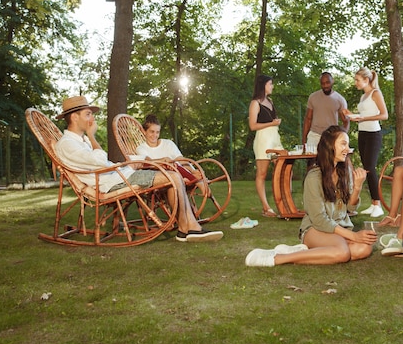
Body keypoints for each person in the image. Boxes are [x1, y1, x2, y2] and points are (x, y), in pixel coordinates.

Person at [54, 96, 223, 243]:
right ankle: (189, 227)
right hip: (113, 183)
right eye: (88, 114)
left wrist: (128, 164)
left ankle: (185, 228)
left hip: (120, 175)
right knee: (173, 176)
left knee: (173, 176)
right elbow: (99, 160)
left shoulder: (79, 141)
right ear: (75, 117)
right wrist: (92, 136)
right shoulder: (68, 144)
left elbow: (99, 163)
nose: (92, 118)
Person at [245, 126, 376, 266]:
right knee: (343, 252)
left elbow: (350, 207)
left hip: (338, 230)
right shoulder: (314, 177)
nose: (347, 149)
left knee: (364, 248)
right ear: (329, 145)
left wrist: (357, 187)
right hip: (316, 229)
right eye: (343, 144)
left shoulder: (344, 172)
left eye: (348, 145)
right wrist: (353, 236)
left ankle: (310, 252)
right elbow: (319, 220)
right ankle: (278, 258)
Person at [342, 67, 388, 218]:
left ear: (366, 80)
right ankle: (374, 204)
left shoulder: (376, 93)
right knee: (367, 169)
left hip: (374, 134)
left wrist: (363, 118)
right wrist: (351, 115)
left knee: (370, 168)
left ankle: (379, 205)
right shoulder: (363, 96)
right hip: (363, 133)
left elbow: (384, 115)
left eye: (357, 80)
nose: (355, 83)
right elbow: (363, 114)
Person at [136, 114, 207, 195]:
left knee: (175, 163)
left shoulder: (168, 143)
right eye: (152, 132)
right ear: (144, 132)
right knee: (169, 164)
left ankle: (190, 177)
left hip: (175, 172)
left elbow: (181, 160)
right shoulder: (140, 148)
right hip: (159, 177)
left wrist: (193, 170)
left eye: (157, 132)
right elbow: (149, 162)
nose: (155, 135)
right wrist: (164, 161)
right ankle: (196, 181)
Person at [248, 75, 286, 217]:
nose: (272, 86)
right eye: (270, 84)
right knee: (262, 174)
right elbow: (252, 126)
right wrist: (272, 123)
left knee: (284, 169)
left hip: (275, 138)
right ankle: (266, 207)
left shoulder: (270, 101)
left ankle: (283, 202)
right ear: (263, 85)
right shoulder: (255, 103)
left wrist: (275, 124)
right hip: (263, 140)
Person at [302, 72, 349, 151]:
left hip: (331, 136)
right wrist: (304, 140)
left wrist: (342, 138)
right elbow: (308, 119)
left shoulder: (340, 100)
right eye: (322, 83)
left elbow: (346, 121)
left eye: (327, 83)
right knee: (311, 162)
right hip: (314, 135)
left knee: (329, 161)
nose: (325, 86)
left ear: (332, 81)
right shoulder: (313, 97)